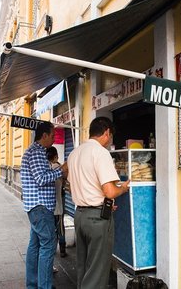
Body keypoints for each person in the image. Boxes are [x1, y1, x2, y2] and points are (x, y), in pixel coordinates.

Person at [67, 116, 130, 289]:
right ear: (107, 132)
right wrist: (123, 189)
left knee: (84, 267)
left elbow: (73, 185)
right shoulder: (101, 153)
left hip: (79, 215)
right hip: (97, 220)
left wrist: (99, 202)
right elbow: (110, 191)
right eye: (110, 136)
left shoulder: (74, 153)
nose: (110, 140)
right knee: (97, 271)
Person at [20, 122, 68, 289]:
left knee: (35, 246)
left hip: (37, 207)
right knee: (48, 245)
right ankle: (44, 286)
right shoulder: (36, 153)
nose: (54, 139)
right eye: (53, 135)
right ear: (45, 135)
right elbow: (41, 179)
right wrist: (61, 170)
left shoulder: (37, 151)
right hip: (40, 208)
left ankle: (34, 284)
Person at [46, 146, 67, 262]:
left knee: (51, 229)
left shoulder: (46, 168)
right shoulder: (58, 168)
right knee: (60, 228)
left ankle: (52, 250)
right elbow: (65, 179)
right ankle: (62, 249)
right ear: (55, 157)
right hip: (57, 206)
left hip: (48, 207)